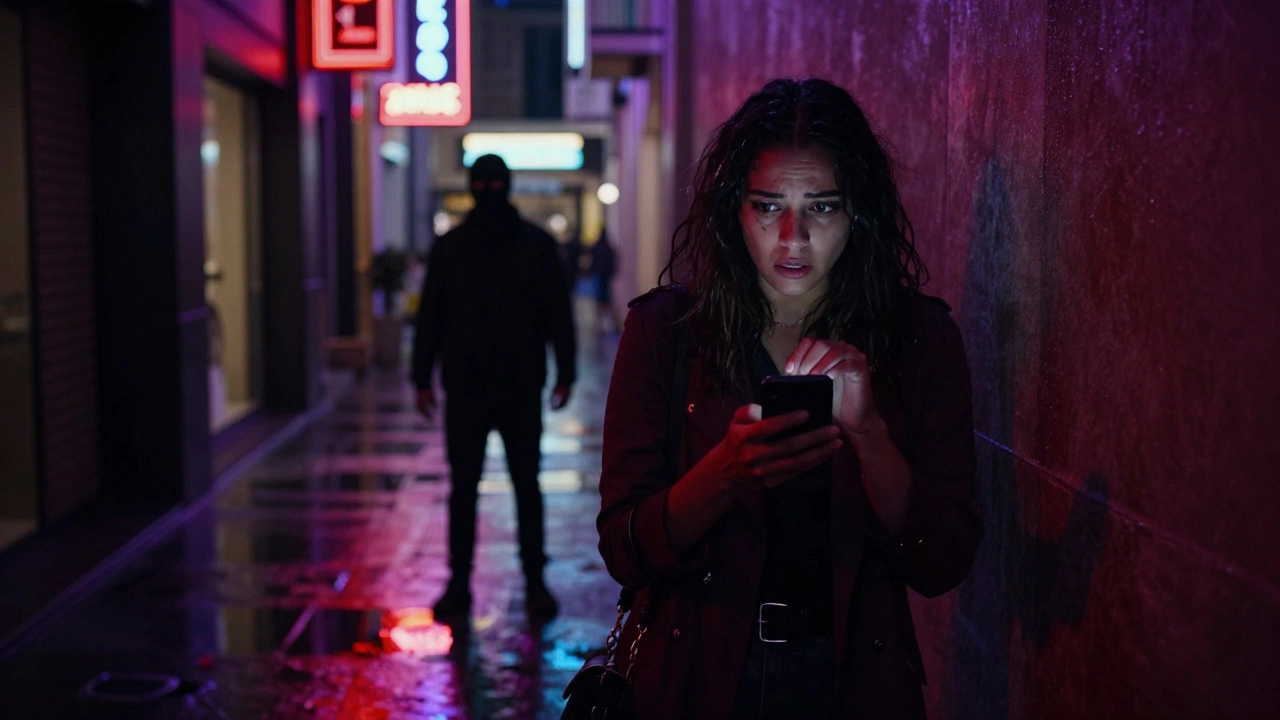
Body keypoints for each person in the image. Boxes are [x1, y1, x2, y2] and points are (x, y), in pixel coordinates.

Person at [596, 79, 982, 718]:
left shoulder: (918, 338)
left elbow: (942, 560)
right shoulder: (667, 333)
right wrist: (723, 473)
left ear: (857, 211)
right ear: (734, 212)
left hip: (851, 679)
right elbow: (624, 548)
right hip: (697, 675)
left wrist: (871, 437)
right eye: (769, 206)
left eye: (822, 207)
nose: (794, 236)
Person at [413, 154, 576, 621]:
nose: (488, 190)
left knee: (477, 487)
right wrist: (564, 372)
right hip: (507, 384)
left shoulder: (453, 247)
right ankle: (523, 584)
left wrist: (422, 378)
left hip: (480, 385)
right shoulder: (534, 245)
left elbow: (431, 318)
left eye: (491, 183)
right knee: (517, 485)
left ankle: (468, 585)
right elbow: (556, 316)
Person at [589, 228, 619, 333]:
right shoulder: (608, 247)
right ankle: (606, 323)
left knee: (599, 298)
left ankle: (600, 323)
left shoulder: (597, 247)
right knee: (606, 297)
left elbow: (593, 260)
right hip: (605, 276)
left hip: (599, 275)